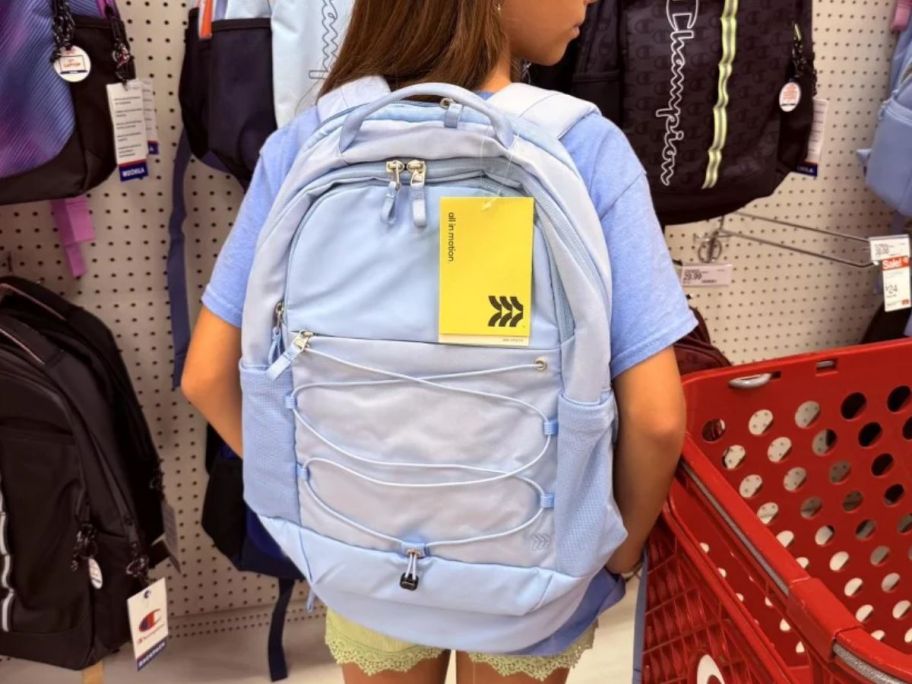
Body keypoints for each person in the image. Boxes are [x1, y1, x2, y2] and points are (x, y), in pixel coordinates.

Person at [181, 1, 696, 682]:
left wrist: (321, 499)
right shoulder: (582, 146)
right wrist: (614, 558)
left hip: (360, 555)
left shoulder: (311, 140)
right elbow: (657, 420)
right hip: (531, 570)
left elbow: (207, 377)